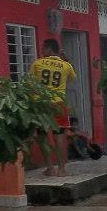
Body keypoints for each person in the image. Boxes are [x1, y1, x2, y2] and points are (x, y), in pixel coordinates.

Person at [29, 39, 76, 177]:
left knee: (42, 136)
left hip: (41, 104)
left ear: (49, 48)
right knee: (59, 137)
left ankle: (50, 168)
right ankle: (61, 170)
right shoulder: (66, 66)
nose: (41, 51)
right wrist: (67, 60)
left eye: (43, 48)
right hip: (59, 104)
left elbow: (29, 83)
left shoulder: (37, 63)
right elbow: (73, 78)